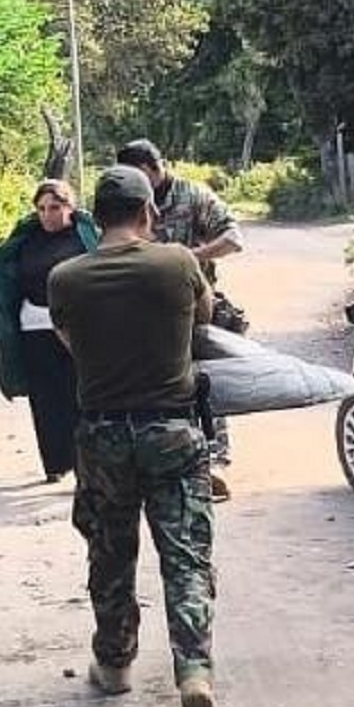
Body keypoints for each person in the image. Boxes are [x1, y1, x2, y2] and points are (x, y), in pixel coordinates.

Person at [47, 164, 220, 707]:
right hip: (171, 432)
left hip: (101, 436)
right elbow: (206, 320)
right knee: (185, 556)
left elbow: (69, 342)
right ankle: (193, 672)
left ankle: (115, 662)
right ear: (149, 213)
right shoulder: (177, 263)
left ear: (95, 220)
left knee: (110, 554)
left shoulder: (66, 277)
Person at [114, 140, 244, 501]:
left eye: (139, 176)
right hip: (139, 308)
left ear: (154, 169)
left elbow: (234, 237)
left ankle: (213, 460)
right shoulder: (126, 200)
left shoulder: (193, 195)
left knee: (203, 381)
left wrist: (192, 256)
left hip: (191, 304)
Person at [0, 178, 99, 481]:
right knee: (45, 398)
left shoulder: (86, 238)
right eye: (42, 208)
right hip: (34, 324)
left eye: (55, 207)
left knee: (80, 394)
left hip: (79, 327)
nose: (48, 214)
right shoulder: (26, 238)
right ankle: (55, 463)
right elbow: (3, 270)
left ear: (70, 208)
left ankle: (84, 462)